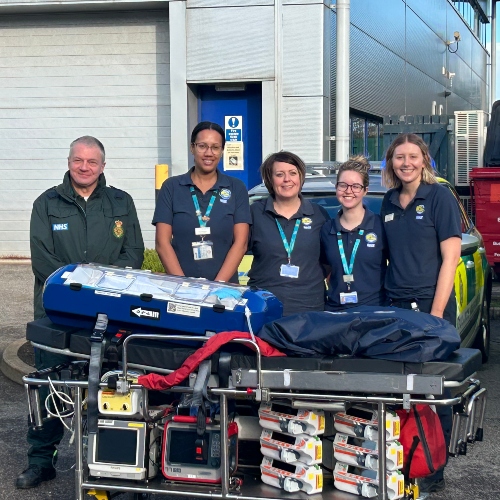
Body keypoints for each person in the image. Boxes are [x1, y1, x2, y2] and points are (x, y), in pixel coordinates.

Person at [16, 136, 145, 489]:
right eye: (78, 160)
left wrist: (103, 296)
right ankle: (41, 460)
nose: (84, 167)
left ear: (103, 165)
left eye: (91, 161)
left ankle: (106, 465)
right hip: (56, 313)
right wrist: (82, 295)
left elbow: (133, 253)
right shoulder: (46, 203)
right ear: (70, 161)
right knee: (48, 385)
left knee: (109, 387)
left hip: (109, 314)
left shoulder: (121, 201)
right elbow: (44, 261)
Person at [381, 133, 462, 493]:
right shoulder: (387, 201)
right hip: (395, 307)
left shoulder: (439, 197)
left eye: (413, 156)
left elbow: (451, 258)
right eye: (399, 157)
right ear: (391, 162)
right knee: (399, 390)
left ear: (424, 159)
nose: (406, 163)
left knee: (432, 389)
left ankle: (432, 469)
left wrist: (437, 314)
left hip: (432, 306)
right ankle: (404, 459)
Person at [153, 121, 250, 283]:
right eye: (202, 146)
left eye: (215, 147)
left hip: (224, 290)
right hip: (181, 289)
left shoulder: (236, 188)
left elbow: (241, 243)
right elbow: (162, 243)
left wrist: (218, 286)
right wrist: (184, 286)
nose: (208, 153)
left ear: (222, 151)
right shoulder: (171, 187)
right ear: (192, 148)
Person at [247, 151, 329, 316]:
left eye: (293, 173)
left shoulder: (319, 215)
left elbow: (331, 262)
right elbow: (235, 248)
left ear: (301, 177)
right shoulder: (255, 213)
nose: (287, 179)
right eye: (279, 174)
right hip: (263, 309)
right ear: (269, 179)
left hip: (309, 310)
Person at [320, 155, 387, 310]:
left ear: (365, 191)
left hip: (374, 313)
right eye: (343, 185)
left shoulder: (380, 226)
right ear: (336, 187)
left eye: (356, 186)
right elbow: (325, 269)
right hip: (336, 313)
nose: (348, 191)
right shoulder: (326, 229)